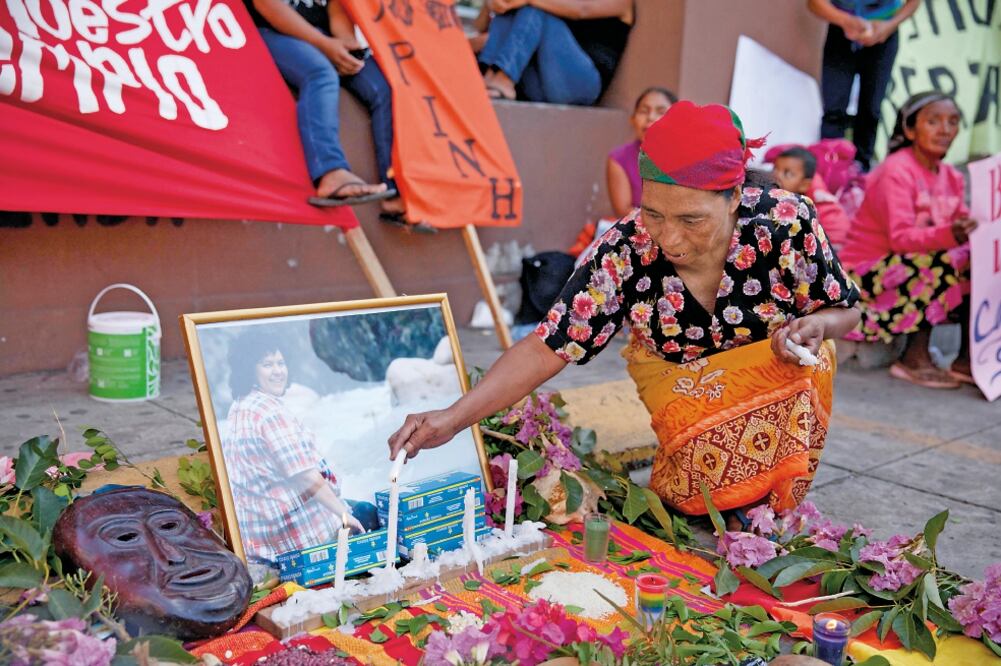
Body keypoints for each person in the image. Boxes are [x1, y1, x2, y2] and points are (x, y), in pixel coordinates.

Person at [389, 102, 861, 526]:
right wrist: (453, 418)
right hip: (678, 381)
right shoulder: (625, 248)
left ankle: (766, 501)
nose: (669, 238)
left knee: (814, 366)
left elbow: (846, 310)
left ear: (734, 198)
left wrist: (820, 325)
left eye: (691, 220)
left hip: (769, 374)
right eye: (654, 213)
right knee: (697, 493)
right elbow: (547, 346)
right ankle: (721, 492)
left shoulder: (785, 222)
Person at [840, 92, 977, 389]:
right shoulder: (896, 170)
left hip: (908, 266)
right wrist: (952, 234)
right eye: (933, 121)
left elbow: (961, 224)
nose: (945, 130)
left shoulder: (951, 175)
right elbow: (901, 239)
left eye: (953, 122)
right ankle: (914, 358)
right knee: (947, 258)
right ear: (911, 129)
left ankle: (967, 359)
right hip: (865, 273)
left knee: (975, 255)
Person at [248, 0, 415, 226]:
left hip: (321, 36)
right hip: (264, 30)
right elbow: (268, 7)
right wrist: (325, 45)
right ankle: (330, 172)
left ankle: (394, 193)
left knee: (385, 88)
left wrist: (346, 43)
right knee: (321, 74)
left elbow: (336, 8)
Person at [223, 332, 368, 564]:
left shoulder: (241, 407)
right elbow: (306, 477)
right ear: (250, 369)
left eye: (281, 363)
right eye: (267, 364)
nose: (278, 371)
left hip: (265, 535)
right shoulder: (269, 413)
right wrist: (343, 514)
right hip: (298, 536)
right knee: (371, 514)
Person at [807, 0, 921, 171]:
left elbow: (914, 3)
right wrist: (845, 21)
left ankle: (861, 168)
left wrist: (888, 26)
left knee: (871, 109)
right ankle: (828, 168)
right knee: (833, 108)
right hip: (841, 32)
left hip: (884, 34)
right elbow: (814, 3)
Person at [477, 0, 634, 105]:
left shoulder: (623, 3)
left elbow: (582, 10)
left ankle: (504, 77)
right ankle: (488, 76)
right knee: (513, 7)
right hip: (541, 85)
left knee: (534, 8)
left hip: (581, 87)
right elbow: (480, 27)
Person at [607, 87, 677, 218]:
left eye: (661, 112)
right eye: (644, 111)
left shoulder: (689, 157)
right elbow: (623, 211)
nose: (650, 117)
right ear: (632, 119)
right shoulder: (619, 158)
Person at [772, 146, 852, 247]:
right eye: (775, 169)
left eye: (787, 173)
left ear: (804, 185)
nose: (777, 176)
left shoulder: (816, 208)